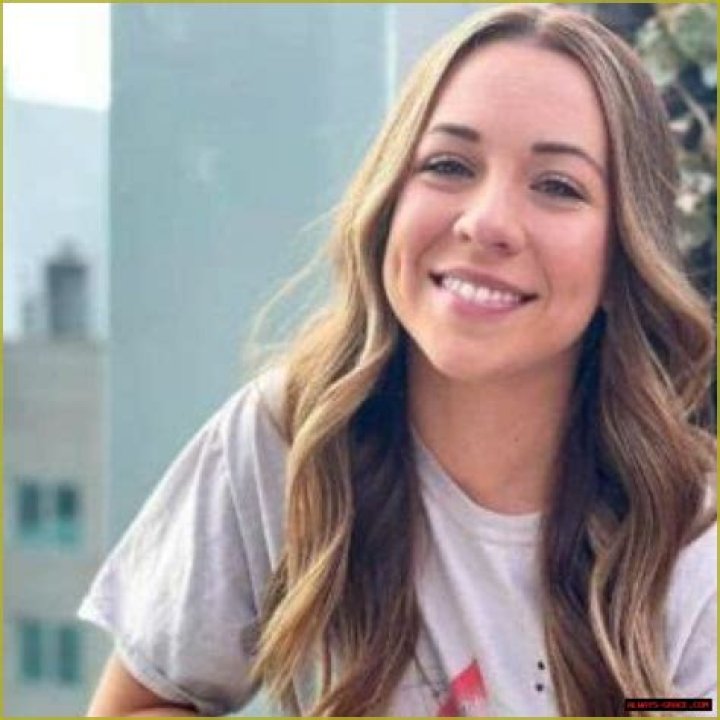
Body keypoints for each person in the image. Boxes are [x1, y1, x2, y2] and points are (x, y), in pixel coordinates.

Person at [80, 4, 717, 717]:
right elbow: (135, 706)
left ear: (625, 255)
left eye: (557, 186)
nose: (486, 222)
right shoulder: (289, 437)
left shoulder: (692, 539)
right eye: (449, 165)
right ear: (388, 200)